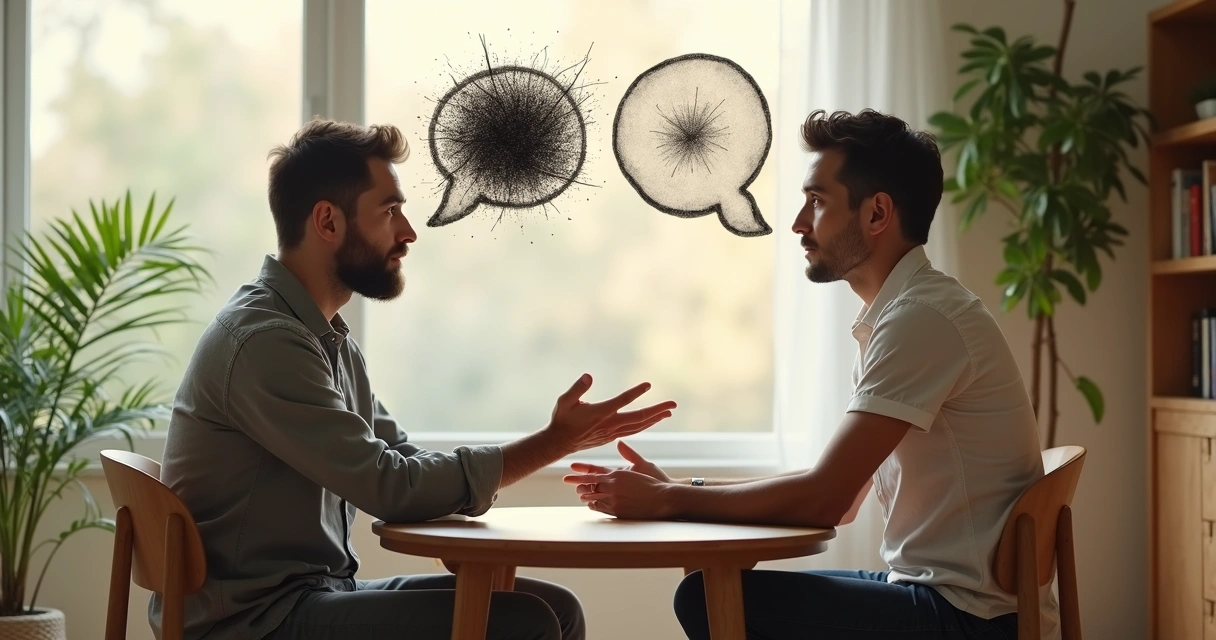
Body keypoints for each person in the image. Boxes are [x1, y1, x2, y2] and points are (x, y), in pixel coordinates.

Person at [157, 118, 677, 640]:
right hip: (254, 622)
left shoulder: (324, 340)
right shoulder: (267, 343)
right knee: (523, 624)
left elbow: (398, 455)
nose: (407, 233)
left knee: (553, 608)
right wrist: (552, 443)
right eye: (389, 211)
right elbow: (390, 487)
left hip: (311, 597)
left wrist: (466, 492)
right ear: (327, 222)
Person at [563, 109, 1056, 639]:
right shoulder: (901, 315)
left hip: (969, 619)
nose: (799, 223)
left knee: (709, 597)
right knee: (716, 591)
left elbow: (827, 499)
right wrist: (684, 491)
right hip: (941, 597)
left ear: (877, 214)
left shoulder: (921, 320)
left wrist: (670, 499)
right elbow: (838, 498)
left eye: (818, 202)